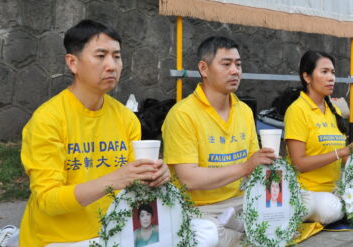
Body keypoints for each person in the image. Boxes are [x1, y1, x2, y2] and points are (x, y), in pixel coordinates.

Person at [18, 20, 170, 247]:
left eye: (117, 56)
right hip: (55, 240)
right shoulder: (47, 120)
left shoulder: (126, 118)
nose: (112, 65)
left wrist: (156, 175)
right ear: (73, 63)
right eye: (101, 56)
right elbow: (48, 200)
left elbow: (134, 184)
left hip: (113, 235)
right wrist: (114, 179)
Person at [162, 36, 276, 247]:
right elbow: (189, 179)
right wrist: (245, 167)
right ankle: (239, 236)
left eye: (238, 64)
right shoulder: (182, 114)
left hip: (240, 202)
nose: (235, 71)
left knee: (291, 209)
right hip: (199, 207)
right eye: (226, 64)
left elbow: (255, 164)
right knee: (206, 236)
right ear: (204, 69)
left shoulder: (243, 111)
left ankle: (235, 230)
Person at [284, 50, 353, 225]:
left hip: (336, 189)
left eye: (333, 72)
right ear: (307, 77)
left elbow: (345, 160)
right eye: (324, 72)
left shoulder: (334, 111)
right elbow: (299, 164)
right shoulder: (297, 110)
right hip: (306, 191)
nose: (331, 78)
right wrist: (344, 150)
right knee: (332, 209)